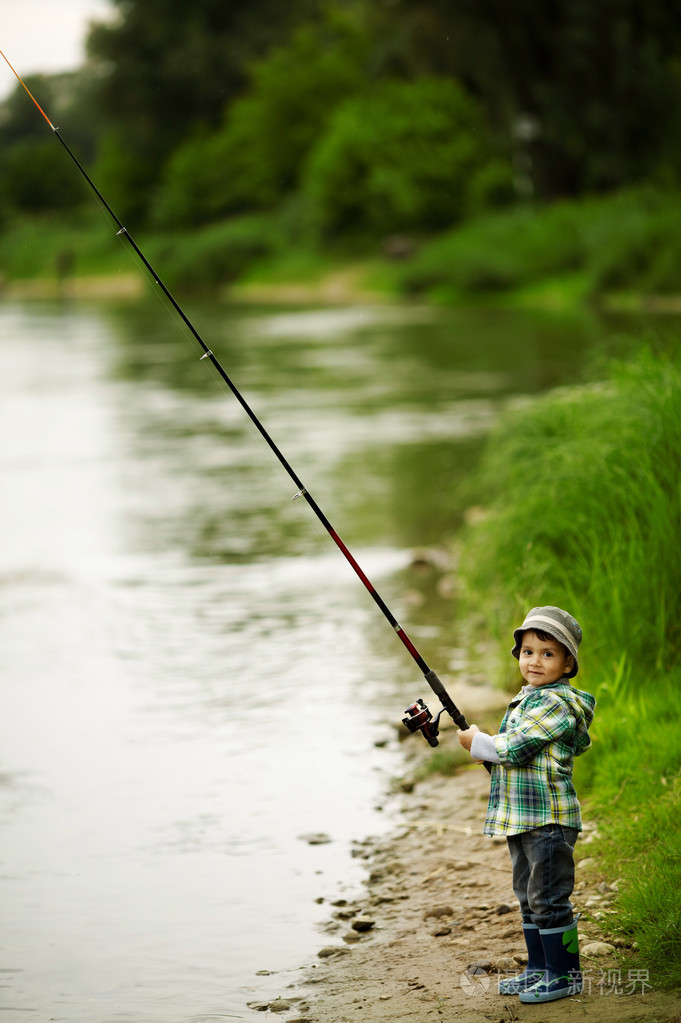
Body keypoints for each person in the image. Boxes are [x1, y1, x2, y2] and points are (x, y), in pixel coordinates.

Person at [457, 606, 595, 1004]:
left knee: (549, 898)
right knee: (528, 896)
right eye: (528, 651)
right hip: (523, 818)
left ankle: (565, 975)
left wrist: (478, 743)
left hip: (549, 821)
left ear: (568, 662)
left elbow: (515, 749)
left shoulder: (556, 703)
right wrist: (487, 748)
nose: (535, 661)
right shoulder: (530, 697)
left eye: (548, 653)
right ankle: (539, 969)